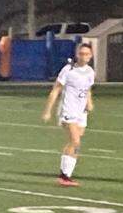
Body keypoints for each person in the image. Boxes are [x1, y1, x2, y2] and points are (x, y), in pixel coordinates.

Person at [41, 41, 95, 187]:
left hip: (81, 112)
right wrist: (48, 111)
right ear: (77, 54)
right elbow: (56, 90)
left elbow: (88, 89)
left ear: (91, 56)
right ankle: (63, 176)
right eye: (81, 53)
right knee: (75, 140)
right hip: (68, 110)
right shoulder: (68, 70)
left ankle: (67, 174)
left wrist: (89, 102)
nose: (84, 56)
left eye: (87, 54)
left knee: (76, 143)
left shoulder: (90, 71)